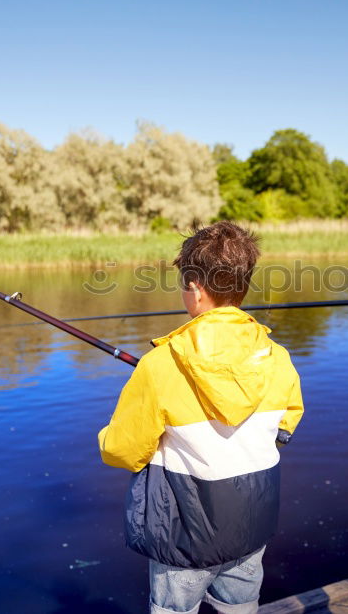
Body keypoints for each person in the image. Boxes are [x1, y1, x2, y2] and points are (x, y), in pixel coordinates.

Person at [98, 221, 304, 614]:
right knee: (241, 607)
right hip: (251, 523)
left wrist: (108, 436)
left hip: (183, 536)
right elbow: (286, 424)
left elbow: (122, 451)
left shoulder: (159, 366)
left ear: (193, 287)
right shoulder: (278, 358)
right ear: (243, 283)